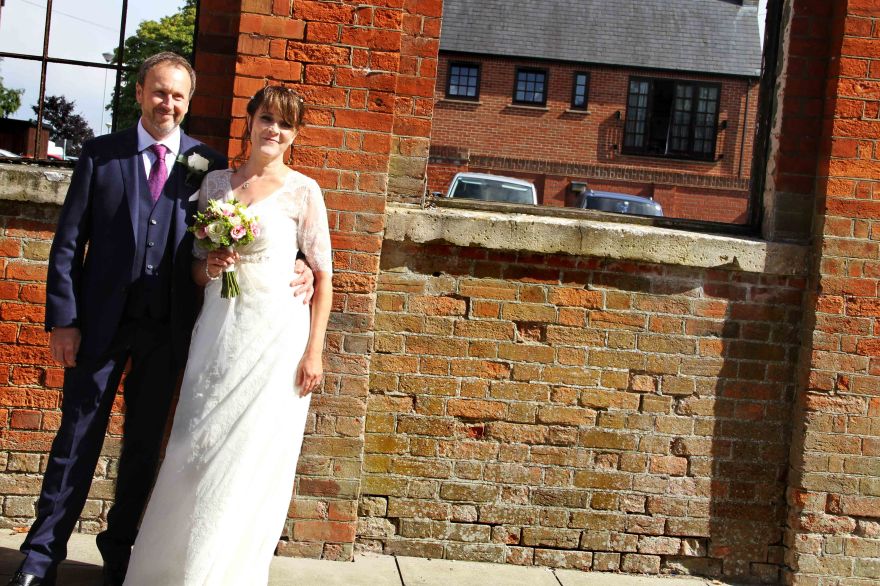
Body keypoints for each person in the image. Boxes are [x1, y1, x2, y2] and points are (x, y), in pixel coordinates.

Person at [8, 54, 314, 586]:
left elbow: (259, 227)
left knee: (145, 446)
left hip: (168, 327)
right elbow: (67, 244)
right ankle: (40, 557)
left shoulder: (209, 166)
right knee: (76, 438)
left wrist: (303, 267)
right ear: (140, 93)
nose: (166, 103)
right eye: (158, 92)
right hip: (99, 325)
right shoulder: (101, 156)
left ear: (189, 102)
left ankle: (119, 551)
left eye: (177, 96)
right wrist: (64, 319)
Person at [122, 85, 333, 585]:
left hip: (276, 337)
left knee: (251, 457)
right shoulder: (216, 183)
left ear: (294, 134)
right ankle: (170, 569)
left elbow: (323, 275)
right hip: (218, 329)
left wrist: (314, 352)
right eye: (266, 119)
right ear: (250, 121)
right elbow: (194, 270)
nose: (273, 131)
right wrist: (210, 265)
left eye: (284, 124)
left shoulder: (305, 191)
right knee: (194, 444)